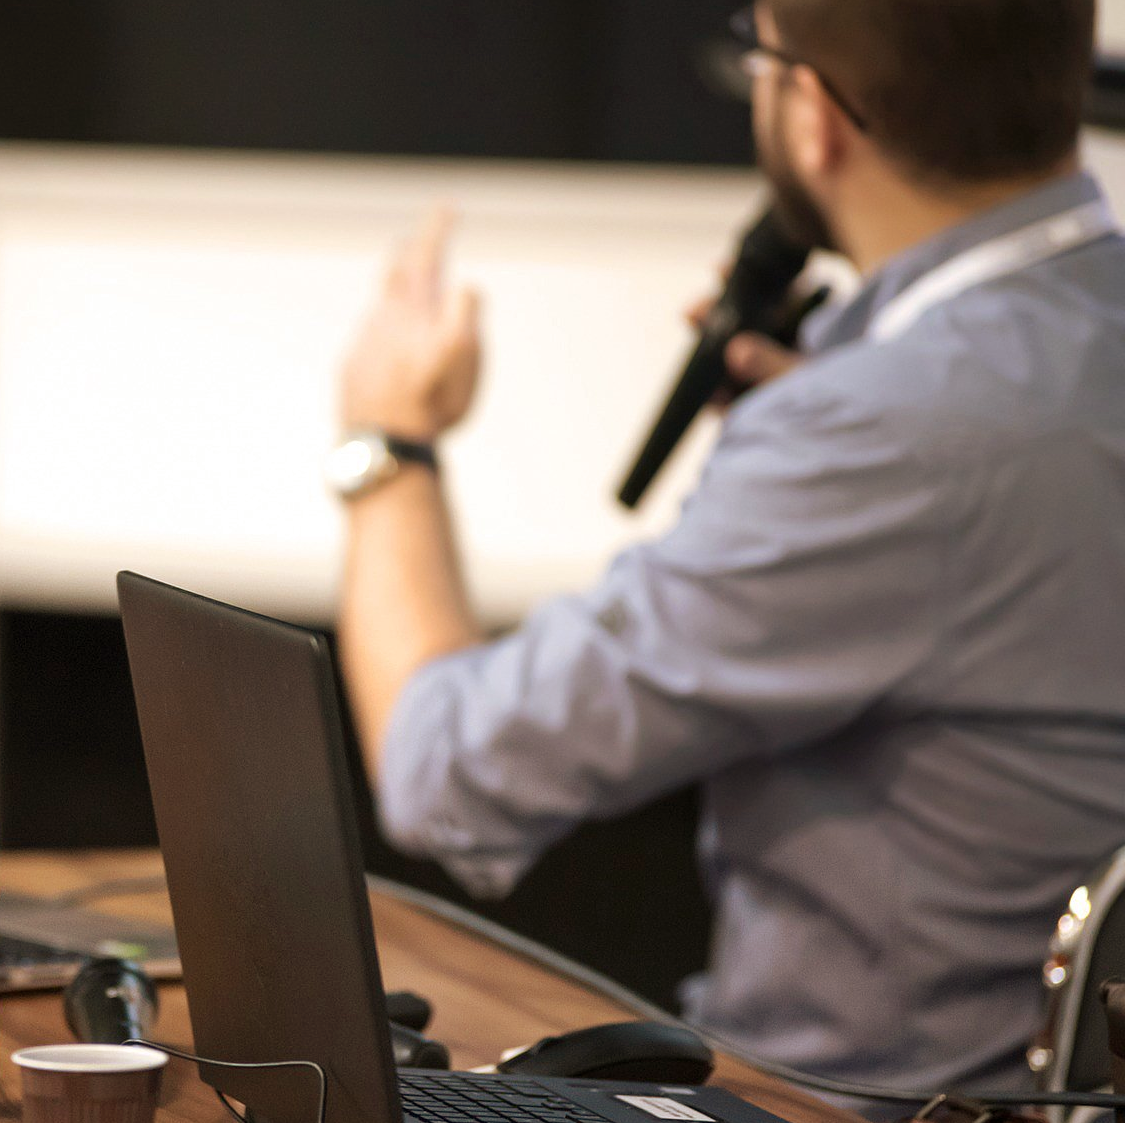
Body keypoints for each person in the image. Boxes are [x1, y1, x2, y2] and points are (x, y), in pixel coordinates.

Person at [330, 0, 1125, 1106]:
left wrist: (390, 441)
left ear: (813, 115)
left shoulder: (873, 435)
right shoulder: (953, 394)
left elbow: (449, 767)